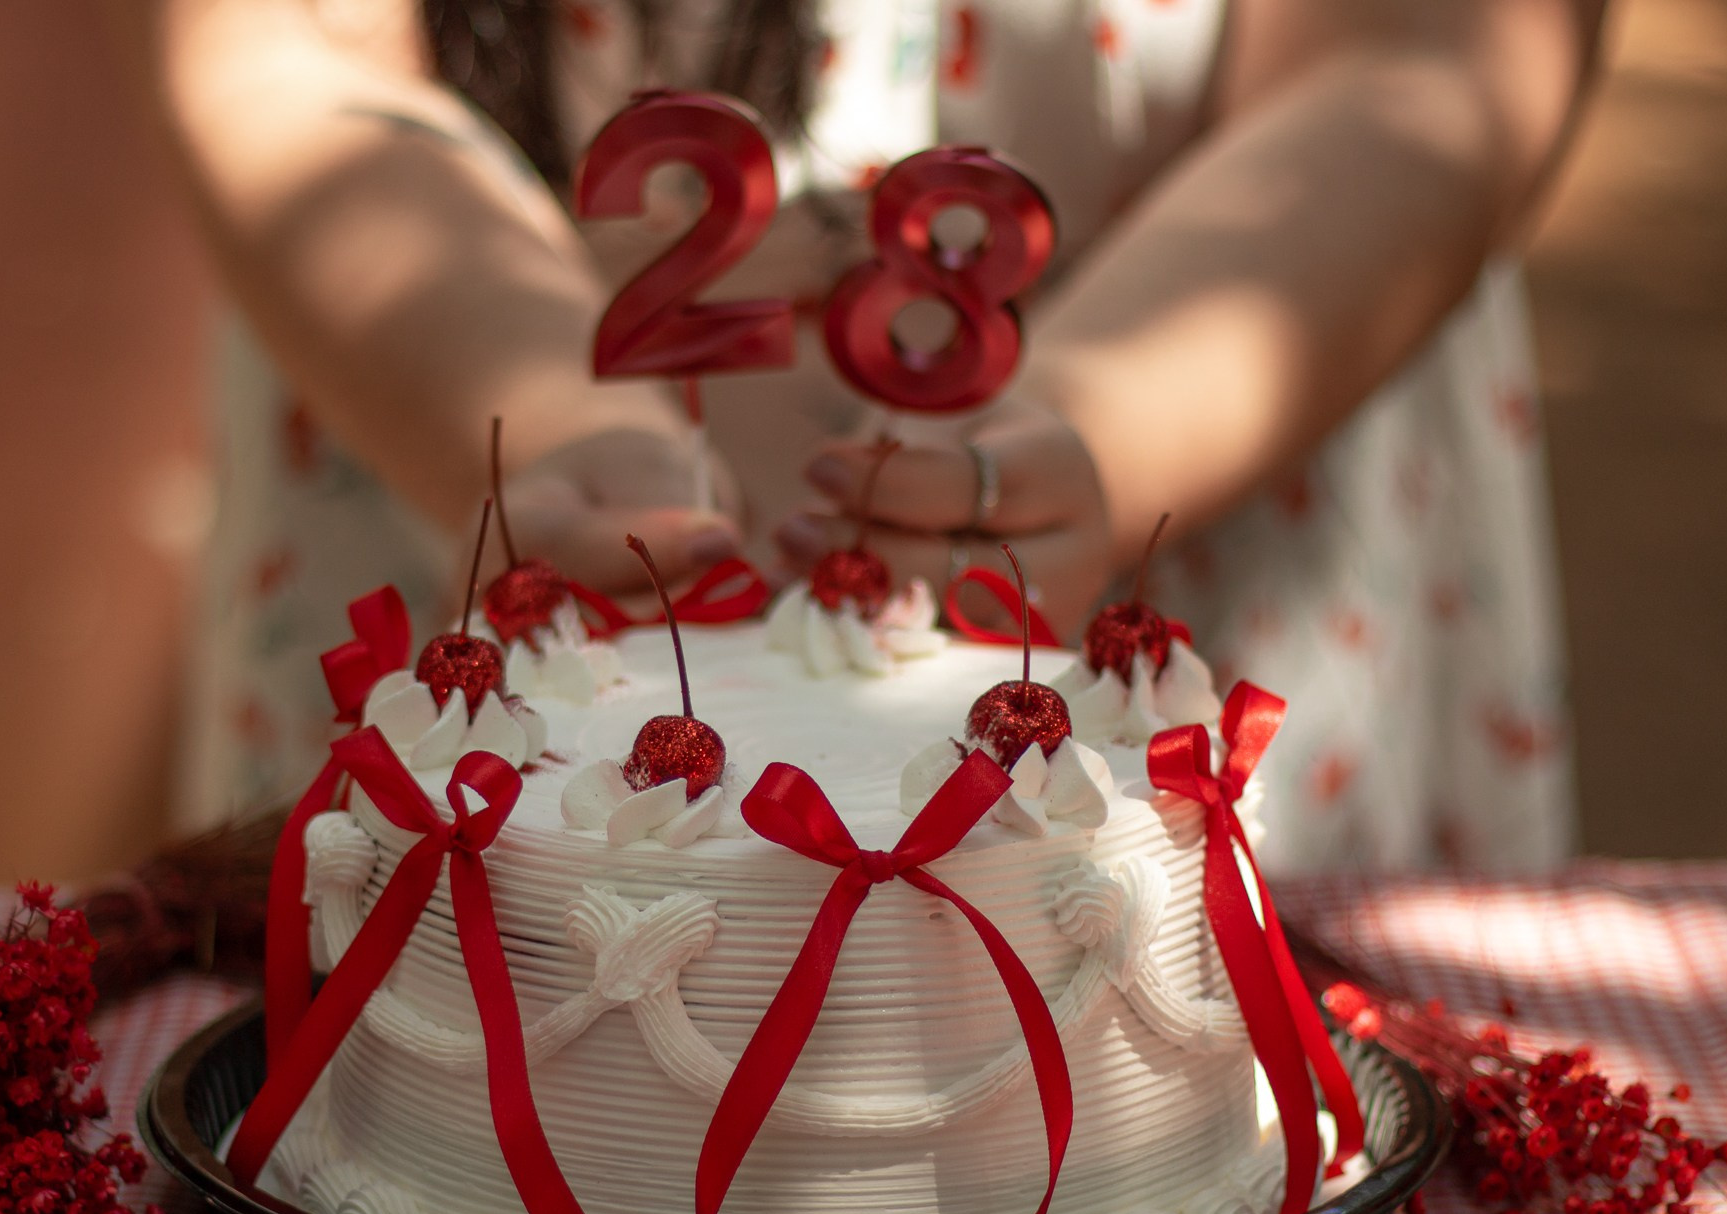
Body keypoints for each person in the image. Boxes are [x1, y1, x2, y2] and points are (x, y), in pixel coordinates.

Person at [120, 0, 1599, 871]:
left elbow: (1436, 48)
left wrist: (1111, 431)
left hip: (1202, 527)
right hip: (468, 485)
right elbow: (288, 50)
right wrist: (536, 427)